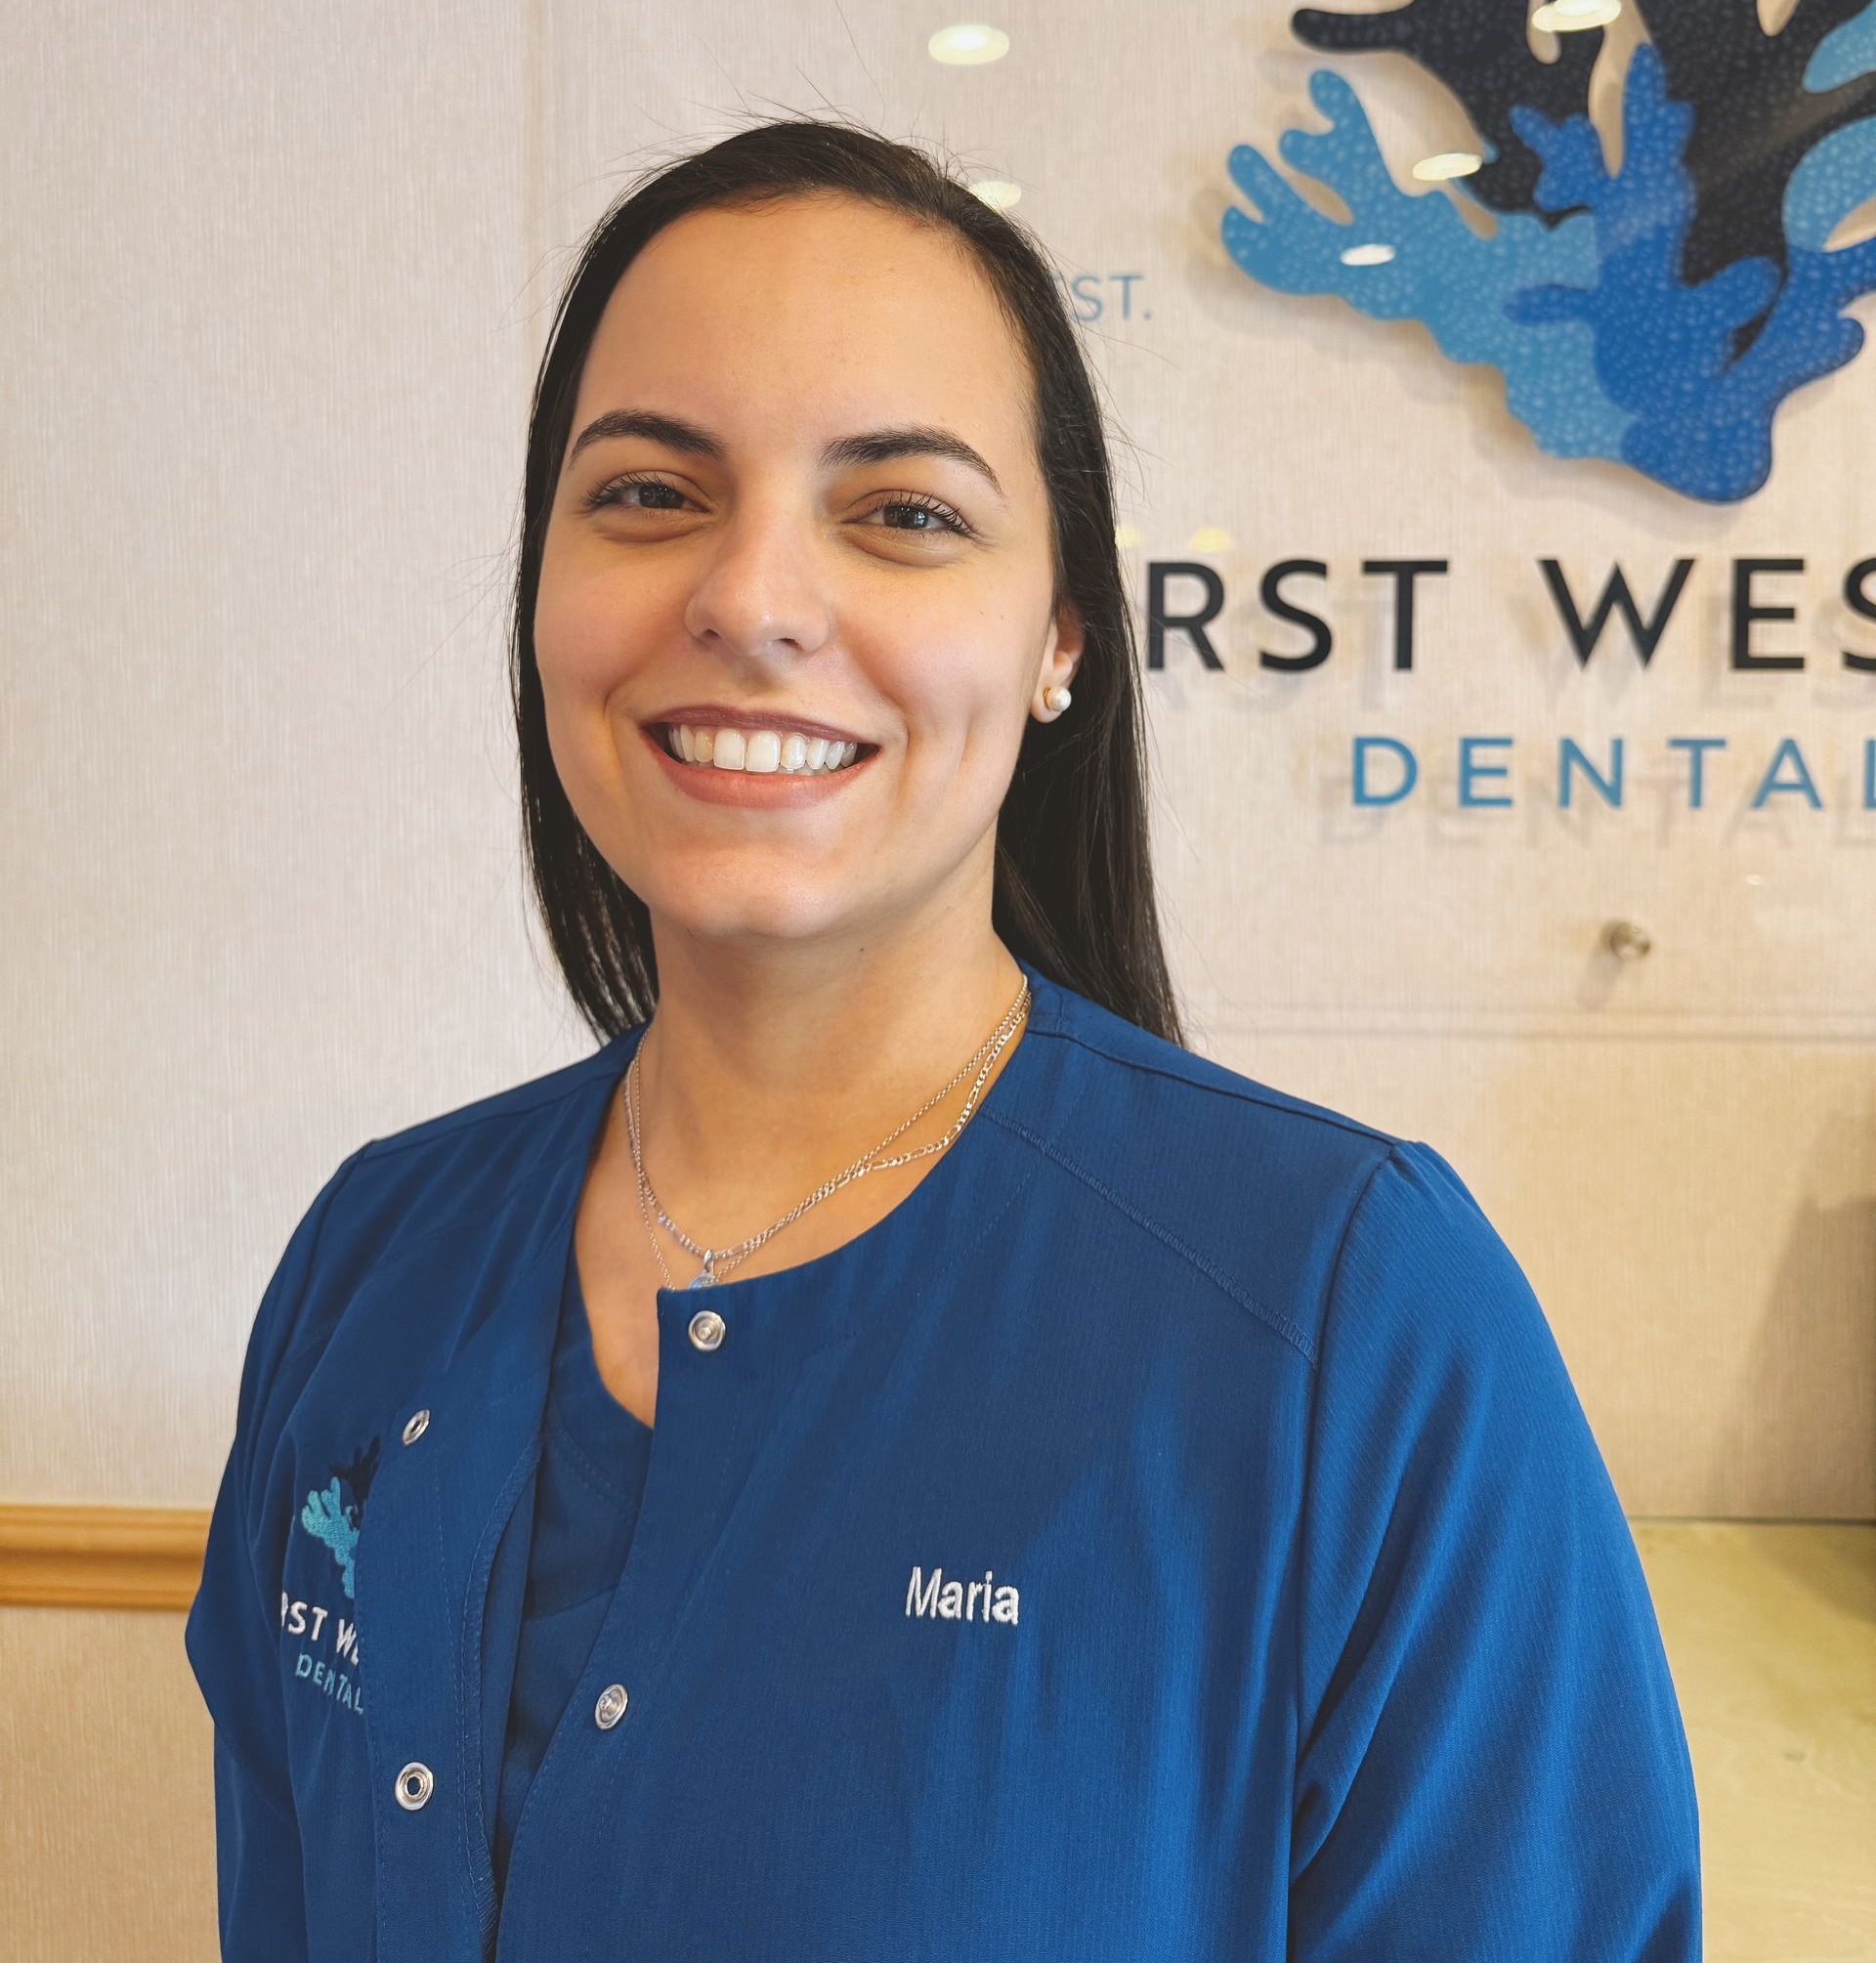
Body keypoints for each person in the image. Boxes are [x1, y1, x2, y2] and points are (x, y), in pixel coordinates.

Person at [184, 115, 1702, 1961]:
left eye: (902, 512)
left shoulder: (1350, 1322)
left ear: (1063, 634)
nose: (749, 600)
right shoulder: (375, 1260)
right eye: (650, 495)